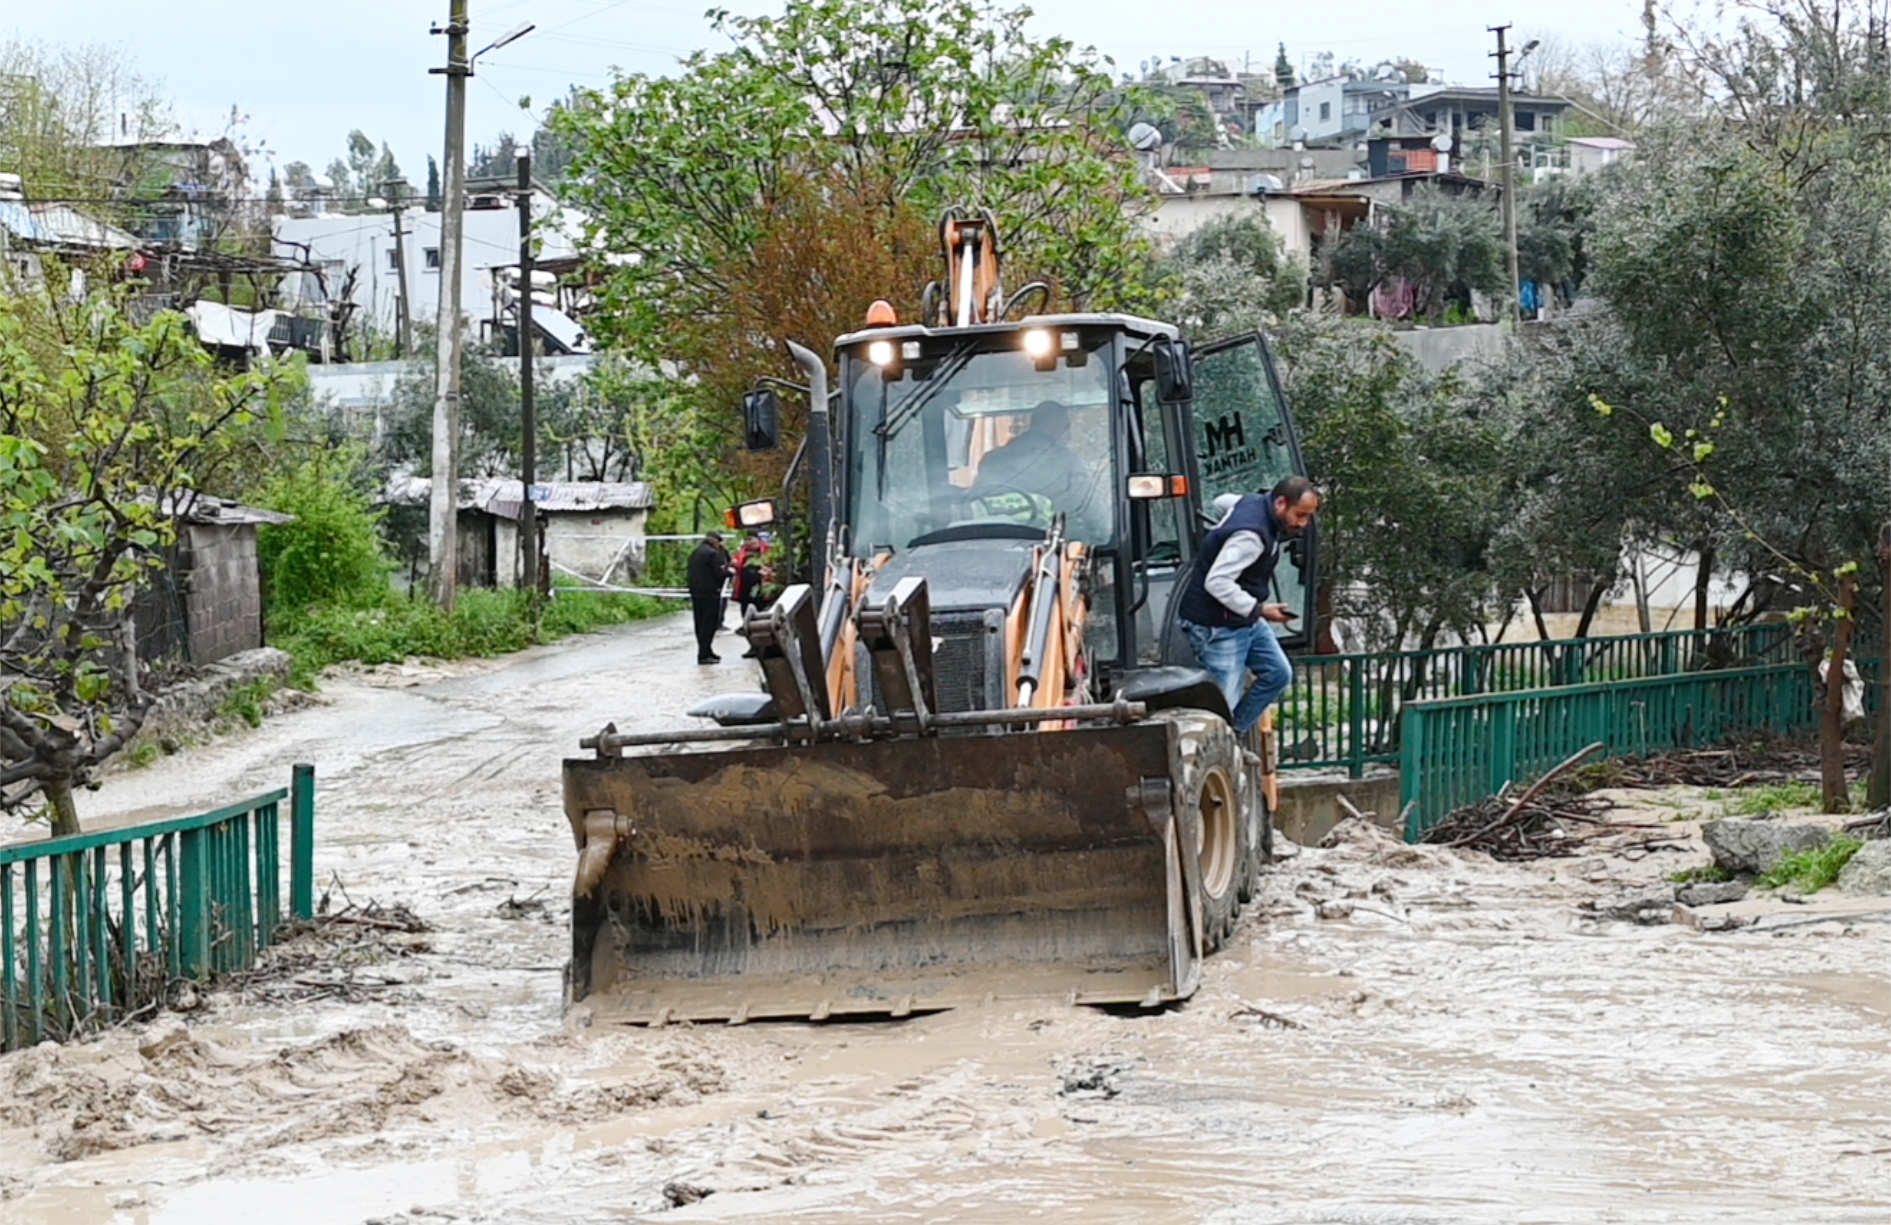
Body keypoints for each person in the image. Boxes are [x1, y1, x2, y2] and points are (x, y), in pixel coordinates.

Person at [1175, 475, 1321, 735]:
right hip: (1217, 626)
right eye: (1300, 515)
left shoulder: (1250, 503)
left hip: (1243, 620)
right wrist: (1260, 609)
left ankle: (1234, 734)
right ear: (1280, 503)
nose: (1303, 524)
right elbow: (1217, 581)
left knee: (1278, 674)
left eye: (1308, 517)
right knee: (1222, 706)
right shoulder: (1251, 537)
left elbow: (1221, 503)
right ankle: (1221, 739)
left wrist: (1224, 530)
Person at [969, 400, 1102, 533]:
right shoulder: (1068, 463)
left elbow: (975, 503)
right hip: (1051, 542)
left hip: (993, 539)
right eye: (1066, 428)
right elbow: (1093, 511)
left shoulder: (991, 460)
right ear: (1053, 427)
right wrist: (1105, 537)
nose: (1069, 437)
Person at [687, 530, 730, 665]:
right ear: (715, 542)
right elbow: (718, 574)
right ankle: (704, 654)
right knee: (709, 624)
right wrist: (729, 572)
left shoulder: (696, 552)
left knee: (700, 622)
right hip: (710, 592)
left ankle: (706, 650)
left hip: (696, 592)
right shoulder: (713, 554)